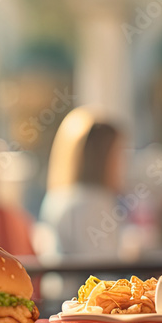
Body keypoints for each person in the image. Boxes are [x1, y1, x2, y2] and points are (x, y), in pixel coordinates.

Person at [38, 106, 126, 256]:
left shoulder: (58, 197)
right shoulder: (92, 204)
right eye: (118, 154)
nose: (123, 163)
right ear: (102, 159)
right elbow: (103, 268)